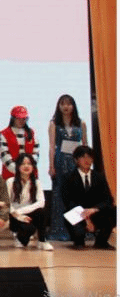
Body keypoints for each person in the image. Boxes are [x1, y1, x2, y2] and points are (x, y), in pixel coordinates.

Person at [49, 94, 88, 240]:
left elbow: (85, 145)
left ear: (73, 106)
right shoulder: (54, 124)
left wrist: (86, 163)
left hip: (76, 162)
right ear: (59, 106)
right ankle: (60, 229)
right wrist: (51, 165)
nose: (66, 107)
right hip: (60, 161)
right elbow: (52, 147)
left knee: (78, 194)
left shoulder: (81, 123)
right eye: (63, 104)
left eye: (69, 104)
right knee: (60, 194)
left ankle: (79, 228)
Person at [61, 145, 116, 249]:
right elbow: (68, 202)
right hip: (78, 213)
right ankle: (79, 241)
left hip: (95, 213)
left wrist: (93, 210)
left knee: (114, 211)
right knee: (78, 233)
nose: (87, 160)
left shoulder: (99, 177)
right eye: (83, 157)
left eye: (89, 157)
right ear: (76, 160)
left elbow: (108, 200)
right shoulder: (68, 177)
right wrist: (86, 219)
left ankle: (101, 242)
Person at [8, 153, 52, 250]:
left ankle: (42, 241)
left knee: (42, 211)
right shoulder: (10, 181)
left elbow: (41, 203)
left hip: (25, 214)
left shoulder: (36, 183)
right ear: (18, 166)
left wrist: (20, 211)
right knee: (28, 230)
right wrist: (19, 216)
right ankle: (18, 237)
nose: (26, 166)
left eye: (29, 164)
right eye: (23, 164)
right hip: (14, 216)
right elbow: (7, 203)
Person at [0, 105, 39, 180]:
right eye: (18, 118)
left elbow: (36, 152)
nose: (21, 121)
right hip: (10, 174)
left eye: (24, 118)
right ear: (13, 118)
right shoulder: (4, 134)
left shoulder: (32, 133)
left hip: (30, 174)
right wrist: (17, 170)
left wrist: (29, 167)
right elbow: (4, 155)